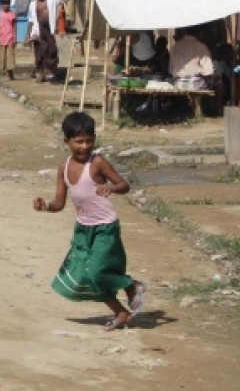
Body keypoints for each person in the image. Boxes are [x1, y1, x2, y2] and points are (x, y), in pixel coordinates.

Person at [33, 112, 144, 331]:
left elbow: (124, 185)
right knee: (83, 275)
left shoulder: (97, 163)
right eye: (79, 141)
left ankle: (131, 285)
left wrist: (111, 187)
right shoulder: (63, 167)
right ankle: (121, 313)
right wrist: (45, 206)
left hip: (105, 228)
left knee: (96, 272)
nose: (84, 146)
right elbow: (59, 203)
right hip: (83, 229)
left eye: (89, 141)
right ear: (66, 141)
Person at [27, 0, 63, 83]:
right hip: (37, 30)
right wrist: (28, 35)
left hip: (49, 29)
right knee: (39, 53)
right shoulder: (32, 4)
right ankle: (40, 74)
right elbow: (30, 20)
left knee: (52, 50)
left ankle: (50, 72)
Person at [0, 0, 17, 80]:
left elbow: (14, 26)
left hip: (10, 38)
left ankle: (10, 74)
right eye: (4, 4)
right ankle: (6, 73)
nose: (5, 6)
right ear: (1, 5)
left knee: (10, 57)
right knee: (3, 57)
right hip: (2, 38)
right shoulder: (0, 14)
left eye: (7, 4)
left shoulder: (12, 14)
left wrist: (15, 37)